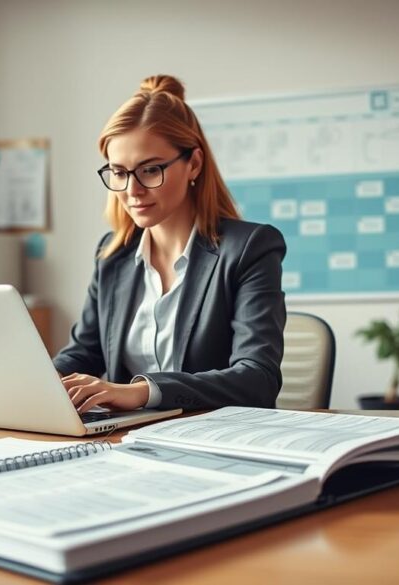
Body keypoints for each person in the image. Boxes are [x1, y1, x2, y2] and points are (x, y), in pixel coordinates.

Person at [52, 74, 287, 414]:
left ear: (193, 163)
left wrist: (142, 392)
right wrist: (40, 384)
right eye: (118, 172)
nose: (132, 190)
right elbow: (83, 353)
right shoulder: (113, 255)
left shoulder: (250, 248)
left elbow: (257, 379)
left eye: (149, 170)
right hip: (129, 441)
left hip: (215, 440)